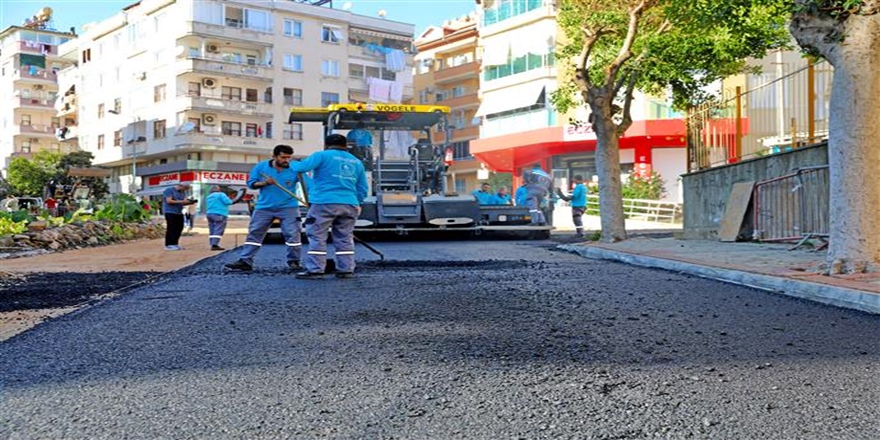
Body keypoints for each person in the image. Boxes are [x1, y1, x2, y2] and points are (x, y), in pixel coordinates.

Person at [287, 133, 368, 279]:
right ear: (345, 146)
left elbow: (301, 167)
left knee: (317, 235)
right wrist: (357, 202)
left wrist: (293, 162)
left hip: (324, 202)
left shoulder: (321, 155)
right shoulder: (356, 162)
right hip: (350, 204)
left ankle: (315, 269)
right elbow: (362, 188)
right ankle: (346, 269)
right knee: (344, 237)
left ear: (326, 144)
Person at [226, 144, 303, 272]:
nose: (287, 160)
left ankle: (294, 261)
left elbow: (307, 184)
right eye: (283, 157)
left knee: (293, 234)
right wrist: (264, 183)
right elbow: (252, 184)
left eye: (289, 157)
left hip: (289, 207)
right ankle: (245, 261)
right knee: (255, 233)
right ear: (274, 156)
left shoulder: (295, 168)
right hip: (264, 207)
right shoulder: (261, 167)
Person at [205, 186, 242, 251]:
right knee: (218, 229)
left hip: (209, 213)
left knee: (212, 229)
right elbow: (228, 202)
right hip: (220, 213)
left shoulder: (209, 196)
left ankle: (212, 243)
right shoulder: (221, 194)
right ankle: (215, 245)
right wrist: (235, 199)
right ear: (218, 190)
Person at [162, 182, 196, 250]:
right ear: (182, 186)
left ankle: (175, 243)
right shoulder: (169, 190)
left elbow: (181, 202)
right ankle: (168, 244)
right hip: (170, 212)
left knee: (179, 227)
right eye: (185, 188)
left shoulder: (182, 192)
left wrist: (189, 203)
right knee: (171, 228)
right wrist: (181, 201)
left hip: (178, 212)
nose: (185, 190)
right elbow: (169, 201)